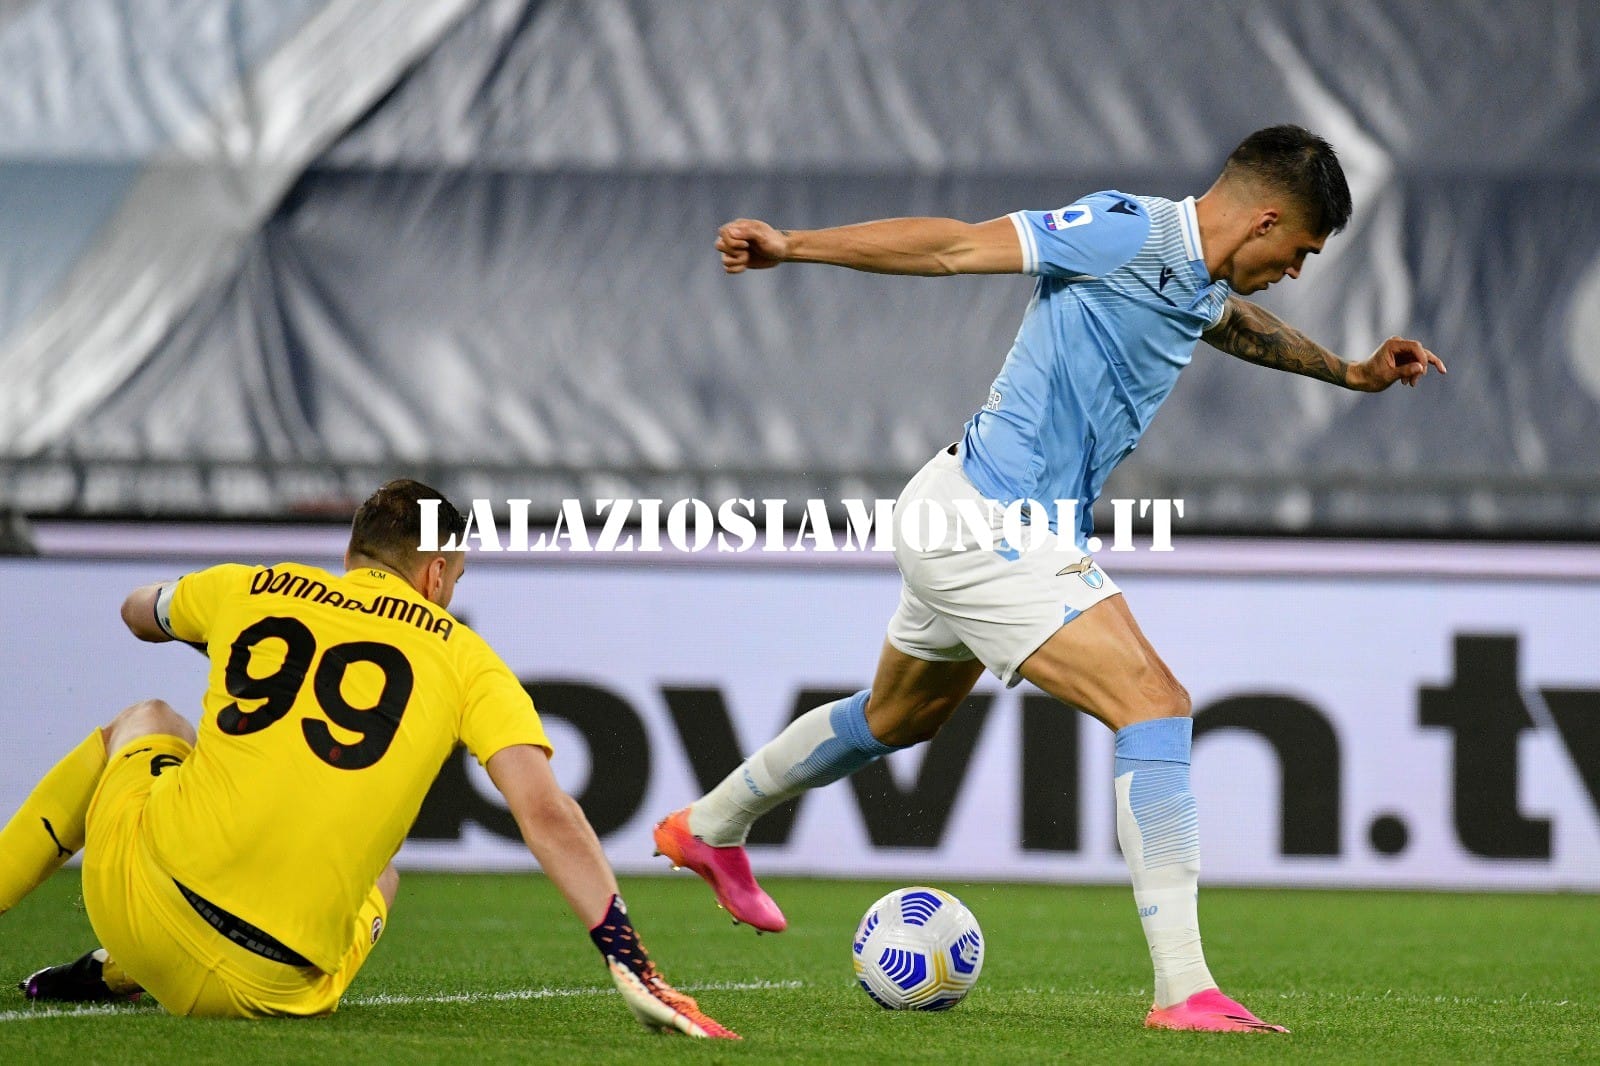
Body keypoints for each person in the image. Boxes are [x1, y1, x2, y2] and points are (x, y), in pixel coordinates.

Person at [653, 125, 1446, 1034]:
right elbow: (954, 247)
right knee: (1155, 706)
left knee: (897, 718)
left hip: (970, 511)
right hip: (987, 523)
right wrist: (793, 245)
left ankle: (708, 826)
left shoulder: (1197, 277)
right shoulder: (1123, 230)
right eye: (1301, 251)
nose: (1296, 271)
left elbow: (1225, 321)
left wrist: (1350, 373)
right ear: (1264, 219)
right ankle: (1185, 990)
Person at [1, 479, 735, 1038]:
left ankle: (116, 958)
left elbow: (137, 611)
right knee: (383, 877)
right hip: (270, 990)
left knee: (150, 719)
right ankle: (126, 970)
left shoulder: (249, 586)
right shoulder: (467, 660)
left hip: (138, 907)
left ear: (352, 553)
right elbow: (546, 812)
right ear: (436, 575)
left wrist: (216, 635)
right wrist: (630, 959)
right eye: (455, 582)